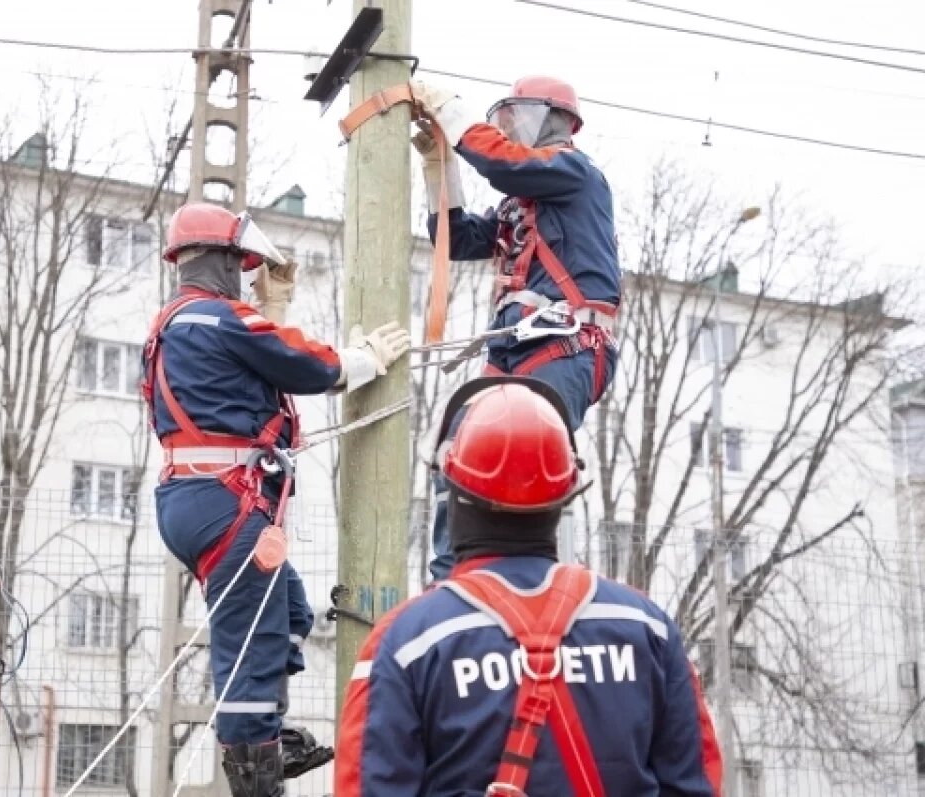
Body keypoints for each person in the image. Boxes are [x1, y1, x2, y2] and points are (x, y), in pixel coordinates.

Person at [335, 378, 722, 797]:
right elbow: (696, 784)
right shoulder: (647, 628)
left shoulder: (407, 643)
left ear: (456, 498)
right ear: (564, 496)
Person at [142, 201, 411, 796]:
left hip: (195, 500)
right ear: (220, 259)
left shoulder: (173, 325)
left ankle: (271, 739)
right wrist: (366, 358)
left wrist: (275, 305)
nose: (243, 273)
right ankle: (257, 773)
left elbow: (247, 374)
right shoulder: (218, 319)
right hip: (225, 505)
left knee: (287, 610)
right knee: (251, 655)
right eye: (240, 263)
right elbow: (303, 365)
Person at [408, 75, 622, 581]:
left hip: (565, 345)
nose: (509, 130)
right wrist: (439, 166)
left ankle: (532, 581)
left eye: (516, 119)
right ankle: (455, 579)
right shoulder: (518, 205)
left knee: (525, 455)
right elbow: (455, 238)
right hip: (516, 346)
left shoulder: (574, 172)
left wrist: (458, 120)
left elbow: (506, 164)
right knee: (459, 452)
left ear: (555, 120)